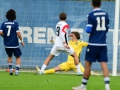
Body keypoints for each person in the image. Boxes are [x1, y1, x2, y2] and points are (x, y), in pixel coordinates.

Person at [72, 0, 110, 90]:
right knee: (103, 64)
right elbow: (107, 28)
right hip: (103, 43)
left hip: (93, 43)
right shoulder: (105, 14)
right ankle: (107, 87)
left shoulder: (91, 15)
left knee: (88, 64)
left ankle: (83, 86)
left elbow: (88, 30)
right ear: (101, 3)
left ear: (91, 4)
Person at [0, 9, 24, 76]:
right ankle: (17, 71)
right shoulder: (15, 24)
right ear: (14, 16)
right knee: (18, 57)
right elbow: (18, 33)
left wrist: (4, 36)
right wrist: (21, 40)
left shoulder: (3, 24)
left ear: (7, 16)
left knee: (9, 56)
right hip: (14, 44)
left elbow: (0, 32)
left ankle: (10, 70)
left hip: (7, 44)